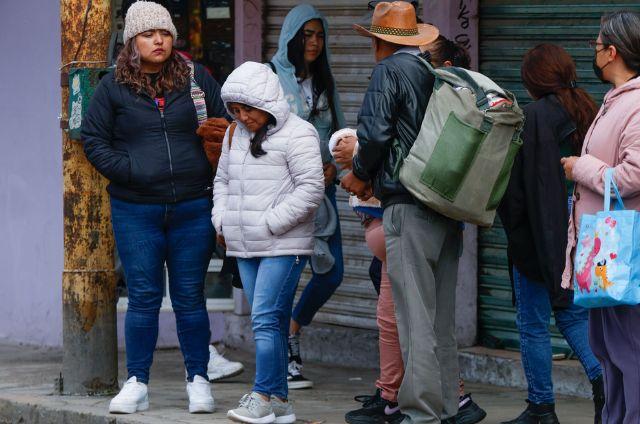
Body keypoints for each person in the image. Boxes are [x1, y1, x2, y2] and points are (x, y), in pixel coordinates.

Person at [82, 1, 226, 414]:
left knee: (189, 297)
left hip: (192, 207)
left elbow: (223, 128)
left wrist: (206, 171)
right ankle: (137, 383)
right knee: (144, 297)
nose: (158, 40)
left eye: (164, 33)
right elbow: (93, 140)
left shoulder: (196, 80)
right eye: (148, 34)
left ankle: (198, 380)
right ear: (132, 42)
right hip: (136, 209)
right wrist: (128, 170)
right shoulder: (112, 87)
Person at [337, 33, 485, 424]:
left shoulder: (389, 70)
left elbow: (375, 134)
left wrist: (358, 173)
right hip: (447, 207)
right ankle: (450, 408)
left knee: (413, 318)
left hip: (408, 205)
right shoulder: (437, 72)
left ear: (377, 42)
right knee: (441, 322)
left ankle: (420, 414)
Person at [213, 61, 324, 424]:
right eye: (235, 110)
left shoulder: (300, 133)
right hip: (244, 244)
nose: (242, 117)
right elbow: (222, 183)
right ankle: (279, 401)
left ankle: (260, 395)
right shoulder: (233, 135)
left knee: (262, 317)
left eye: (247, 109)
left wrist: (270, 223)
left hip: (285, 245)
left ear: (267, 103)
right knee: (273, 322)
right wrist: (223, 220)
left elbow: (312, 190)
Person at [498, 43, 603, 424]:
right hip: (581, 232)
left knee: (532, 323)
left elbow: (515, 191)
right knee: (573, 315)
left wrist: (513, 228)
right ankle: (602, 378)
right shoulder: (589, 109)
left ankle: (541, 406)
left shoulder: (531, 117)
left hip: (537, 237)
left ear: (533, 80)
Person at [561, 11, 640, 424]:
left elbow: (632, 175)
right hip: (603, 256)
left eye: (596, 47)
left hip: (625, 256)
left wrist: (581, 168)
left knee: (630, 351)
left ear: (612, 52)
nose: (593, 55)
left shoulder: (637, 105)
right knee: (608, 348)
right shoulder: (615, 102)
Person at [269, 3, 347, 390]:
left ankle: (292, 329)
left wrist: (335, 162)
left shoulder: (324, 81)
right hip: (283, 193)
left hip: (323, 193)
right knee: (287, 275)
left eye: (319, 35)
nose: (314, 42)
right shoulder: (269, 78)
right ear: (291, 36)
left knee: (331, 273)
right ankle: (282, 354)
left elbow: (340, 134)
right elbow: (257, 134)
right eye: (307, 34)